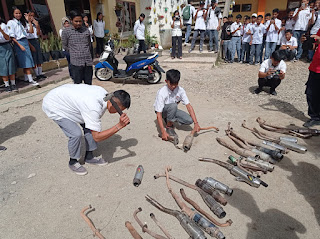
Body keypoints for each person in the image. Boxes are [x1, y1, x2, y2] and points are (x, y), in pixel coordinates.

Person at [42, 84, 131, 175]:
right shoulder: (93, 107)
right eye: (119, 110)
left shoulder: (105, 96)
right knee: (76, 134)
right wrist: (119, 126)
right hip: (54, 105)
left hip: (68, 101)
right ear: (114, 104)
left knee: (91, 127)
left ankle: (89, 157)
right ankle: (73, 162)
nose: (119, 113)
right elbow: (97, 137)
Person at [154, 69, 201, 141]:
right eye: (171, 84)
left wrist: (196, 123)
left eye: (175, 84)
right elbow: (158, 113)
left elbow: (188, 106)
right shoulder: (161, 92)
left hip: (172, 109)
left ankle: (170, 119)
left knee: (189, 120)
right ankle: (169, 126)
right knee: (173, 105)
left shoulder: (180, 90)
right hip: (163, 111)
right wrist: (163, 132)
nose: (173, 86)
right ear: (166, 81)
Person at [7, 7, 38, 86]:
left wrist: (29, 22)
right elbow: (12, 36)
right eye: (16, 13)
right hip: (19, 42)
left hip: (25, 42)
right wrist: (19, 45)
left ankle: (26, 78)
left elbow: (30, 32)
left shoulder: (21, 23)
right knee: (26, 61)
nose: (18, 15)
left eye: (19, 13)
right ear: (13, 14)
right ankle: (31, 80)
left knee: (28, 60)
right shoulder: (11, 23)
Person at [62, 10, 93, 85]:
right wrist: (74, 53)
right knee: (77, 86)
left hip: (87, 63)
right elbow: (65, 46)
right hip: (76, 63)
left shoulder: (86, 30)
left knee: (88, 85)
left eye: (80, 21)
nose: (78, 23)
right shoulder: (66, 32)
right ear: (71, 20)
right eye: (76, 21)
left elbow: (89, 44)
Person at [304, 29, 320, 127]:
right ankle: (314, 117)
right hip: (314, 67)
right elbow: (315, 45)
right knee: (311, 93)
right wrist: (307, 43)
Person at [26, 10, 46, 80]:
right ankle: (36, 74)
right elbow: (28, 34)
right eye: (30, 16)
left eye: (32, 16)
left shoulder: (35, 24)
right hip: (30, 41)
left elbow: (38, 33)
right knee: (34, 58)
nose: (32, 17)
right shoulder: (25, 25)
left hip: (36, 40)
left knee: (39, 57)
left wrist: (37, 26)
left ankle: (40, 73)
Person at [0, 16, 17, 92]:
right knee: (3, 66)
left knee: (10, 64)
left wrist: (1, 31)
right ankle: (7, 85)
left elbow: (7, 38)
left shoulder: (4, 25)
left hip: (7, 45)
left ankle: (13, 84)